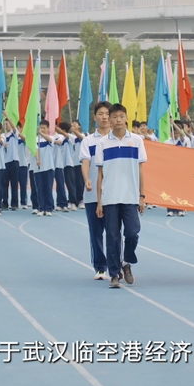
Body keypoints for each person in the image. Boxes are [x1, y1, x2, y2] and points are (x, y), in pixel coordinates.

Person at [95, 104, 147, 289]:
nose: (117, 120)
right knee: (112, 237)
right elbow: (100, 174)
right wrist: (99, 201)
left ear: (126, 118)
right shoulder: (102, 143)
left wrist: (141, 196)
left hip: (131, 197)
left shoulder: (137, 140)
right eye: (114, 116)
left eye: (121, 116)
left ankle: (127, 260)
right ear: (109, 118)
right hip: (110, 198)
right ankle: (114, 274)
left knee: (132, 232)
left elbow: (141, 170)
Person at [80, 101, 112, 280]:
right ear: (95, 117)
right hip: (93, 195)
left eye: (107, 113)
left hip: (114, 194)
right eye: (101, 114)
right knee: (96, 233)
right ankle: (100, 267)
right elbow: (85, 161)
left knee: (114, 233)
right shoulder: (88, 141)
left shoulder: (117, 139)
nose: (105, 117)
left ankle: (115, 264)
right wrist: (87, 179)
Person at [35, 120, 56, 216]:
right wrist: (37, 159)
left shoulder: (51, 138)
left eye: (44, 128)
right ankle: (41, 208)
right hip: (38, 168)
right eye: (41, 127)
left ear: (48, 129)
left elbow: (48, 139)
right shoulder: (36, 139)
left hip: (48, 167)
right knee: (40, 188)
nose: (42, 129)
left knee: (48, 188)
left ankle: (49, 208)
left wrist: (41, 133)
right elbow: (35, 150)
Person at [58, 122, 79, 211]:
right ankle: (60, 202)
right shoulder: (58, 137)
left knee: (70, 184)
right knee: (60, 184)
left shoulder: (71, 137)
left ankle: (73, 202)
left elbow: (65, 135)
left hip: (69, 163)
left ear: (63, 130)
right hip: (59, 164)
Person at [3, 118, 21, 211]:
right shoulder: (2, 135)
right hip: (4, 162)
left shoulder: (14, 134)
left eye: (7, 124)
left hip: (14, 161)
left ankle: (14, 203)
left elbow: (14, 128)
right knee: (4, 184)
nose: (6, 126)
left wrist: (8, 117)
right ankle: (5, 202)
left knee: (14, 183)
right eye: (5, 124)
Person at [51, 123, 71, 212]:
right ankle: (50, 204)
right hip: (49, 164)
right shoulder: (48, 136)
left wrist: (49, 139)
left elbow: (59, 142)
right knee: (48, 185)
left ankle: (62, 204)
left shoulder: (60, 136)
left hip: (58, 164)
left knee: (60, 184)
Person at [70, 120, 86, 209]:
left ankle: (81, 200)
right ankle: (73, 200)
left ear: (79, 126)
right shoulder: (70, 136)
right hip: (72, 162)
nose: (73, 125)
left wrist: (74, 131)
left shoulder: (83, 135)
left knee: (80, 182)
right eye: (72, 124)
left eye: (75, 124)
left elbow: (80, 136)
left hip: (80, 162)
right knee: (73, 182)